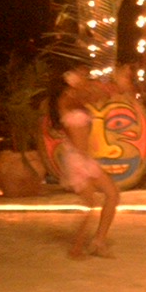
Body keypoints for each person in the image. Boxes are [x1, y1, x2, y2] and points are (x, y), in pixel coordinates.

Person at [54, 68, 120, 259]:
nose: (84, 76)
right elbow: (85, 96)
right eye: (80, 74)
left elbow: (98, 96)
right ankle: (76, 248)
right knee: (90, 203)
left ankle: (98, 242)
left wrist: (109, 87)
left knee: (112, 194)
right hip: (75, 159)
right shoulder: (66, 98)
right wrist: (88, 85)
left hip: (85, 159)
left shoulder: (78, 97)